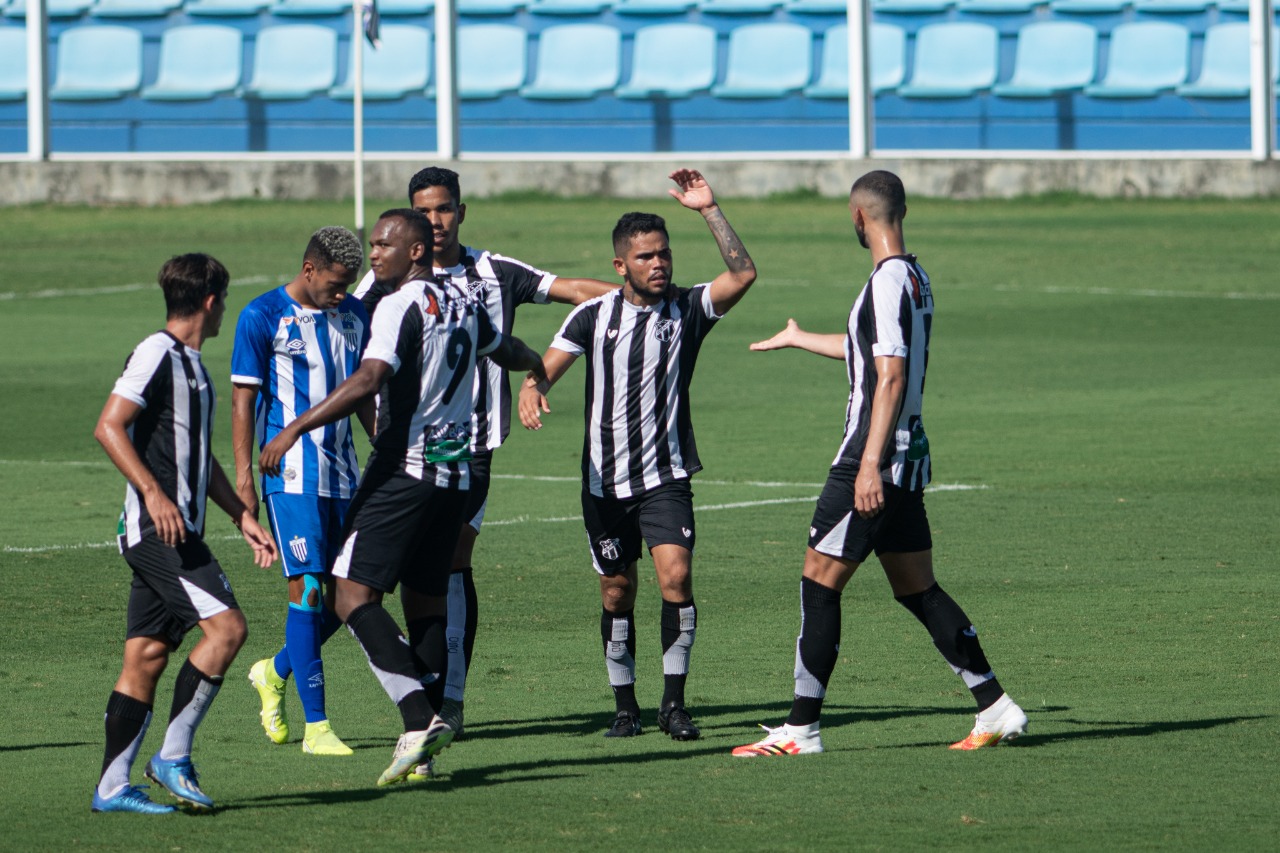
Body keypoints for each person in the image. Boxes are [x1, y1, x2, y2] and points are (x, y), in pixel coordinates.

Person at [731, 170, 1027, 758]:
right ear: (903, 212)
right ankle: (996, 707)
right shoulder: (915, 278)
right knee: (917, 589)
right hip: (908, 457)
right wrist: (800, 337)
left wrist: (868, 465)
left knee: (819, 581)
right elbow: (873, 353)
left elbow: (888, 374)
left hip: (874, 458)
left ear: (858, 217)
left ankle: (801, 729)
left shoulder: (887, 282)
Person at [259, 209, 547, 786]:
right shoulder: (465, 301)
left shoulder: (397, 305)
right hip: (457, 479)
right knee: (426, 604)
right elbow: (504, 345)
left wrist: (294, 429)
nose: (374, 256)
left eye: (383, 245)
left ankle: (418, 716)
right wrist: (536, 363)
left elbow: (368, 379)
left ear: (414, 252)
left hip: (405, 474)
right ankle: (426, 759)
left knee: (349, 595)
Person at [354, 166, 615, 739]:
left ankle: (446, 697)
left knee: (447, 565)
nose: (436, 220)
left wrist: (637, 297)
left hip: (471, 452)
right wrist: (378, 435)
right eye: (425, 211)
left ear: (461, 211)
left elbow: (570, 290)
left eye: (445, 208)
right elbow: (359, 369)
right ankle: (290, 668)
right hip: (403, 456)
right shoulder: (381, 287)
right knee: (370, 577)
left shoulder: (493, 273)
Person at [518, 168, 757, 740]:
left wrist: (709, 209)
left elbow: (742, 273)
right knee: (616, 590)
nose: (660, 264)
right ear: (621, 266)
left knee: (675, 579)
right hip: (604, 483)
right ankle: (625, 706)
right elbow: (545, 371)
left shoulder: (689, 309)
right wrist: (531, 390)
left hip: (666, 476)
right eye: (646, 256)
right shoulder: (592, 315)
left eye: (664, 254)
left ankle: (673, 704)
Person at [92, 253, 278, 814]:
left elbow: (199, 457)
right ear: (209, 301)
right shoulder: (157, 352)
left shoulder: (193, 364)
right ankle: (172, 756)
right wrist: (151, 491)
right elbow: (108, 425)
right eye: (223, 301)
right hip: (159, 532)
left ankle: (111, 788)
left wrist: (240, 515)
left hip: (177, 528)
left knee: (146, 656)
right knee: (227, 630)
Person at [230, 226, 373, 757]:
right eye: (335, 283)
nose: (343, 293)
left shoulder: (355, 314)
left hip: (344, 475)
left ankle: (273, 670)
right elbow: (243, 401)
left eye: (349, 284)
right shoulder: (262, 316)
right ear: (309, 270)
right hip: (288, 473)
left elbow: (360, 394)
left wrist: (386, 448)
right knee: (309, 589)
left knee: (348, 598)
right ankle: (318, 727)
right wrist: (245, 479)